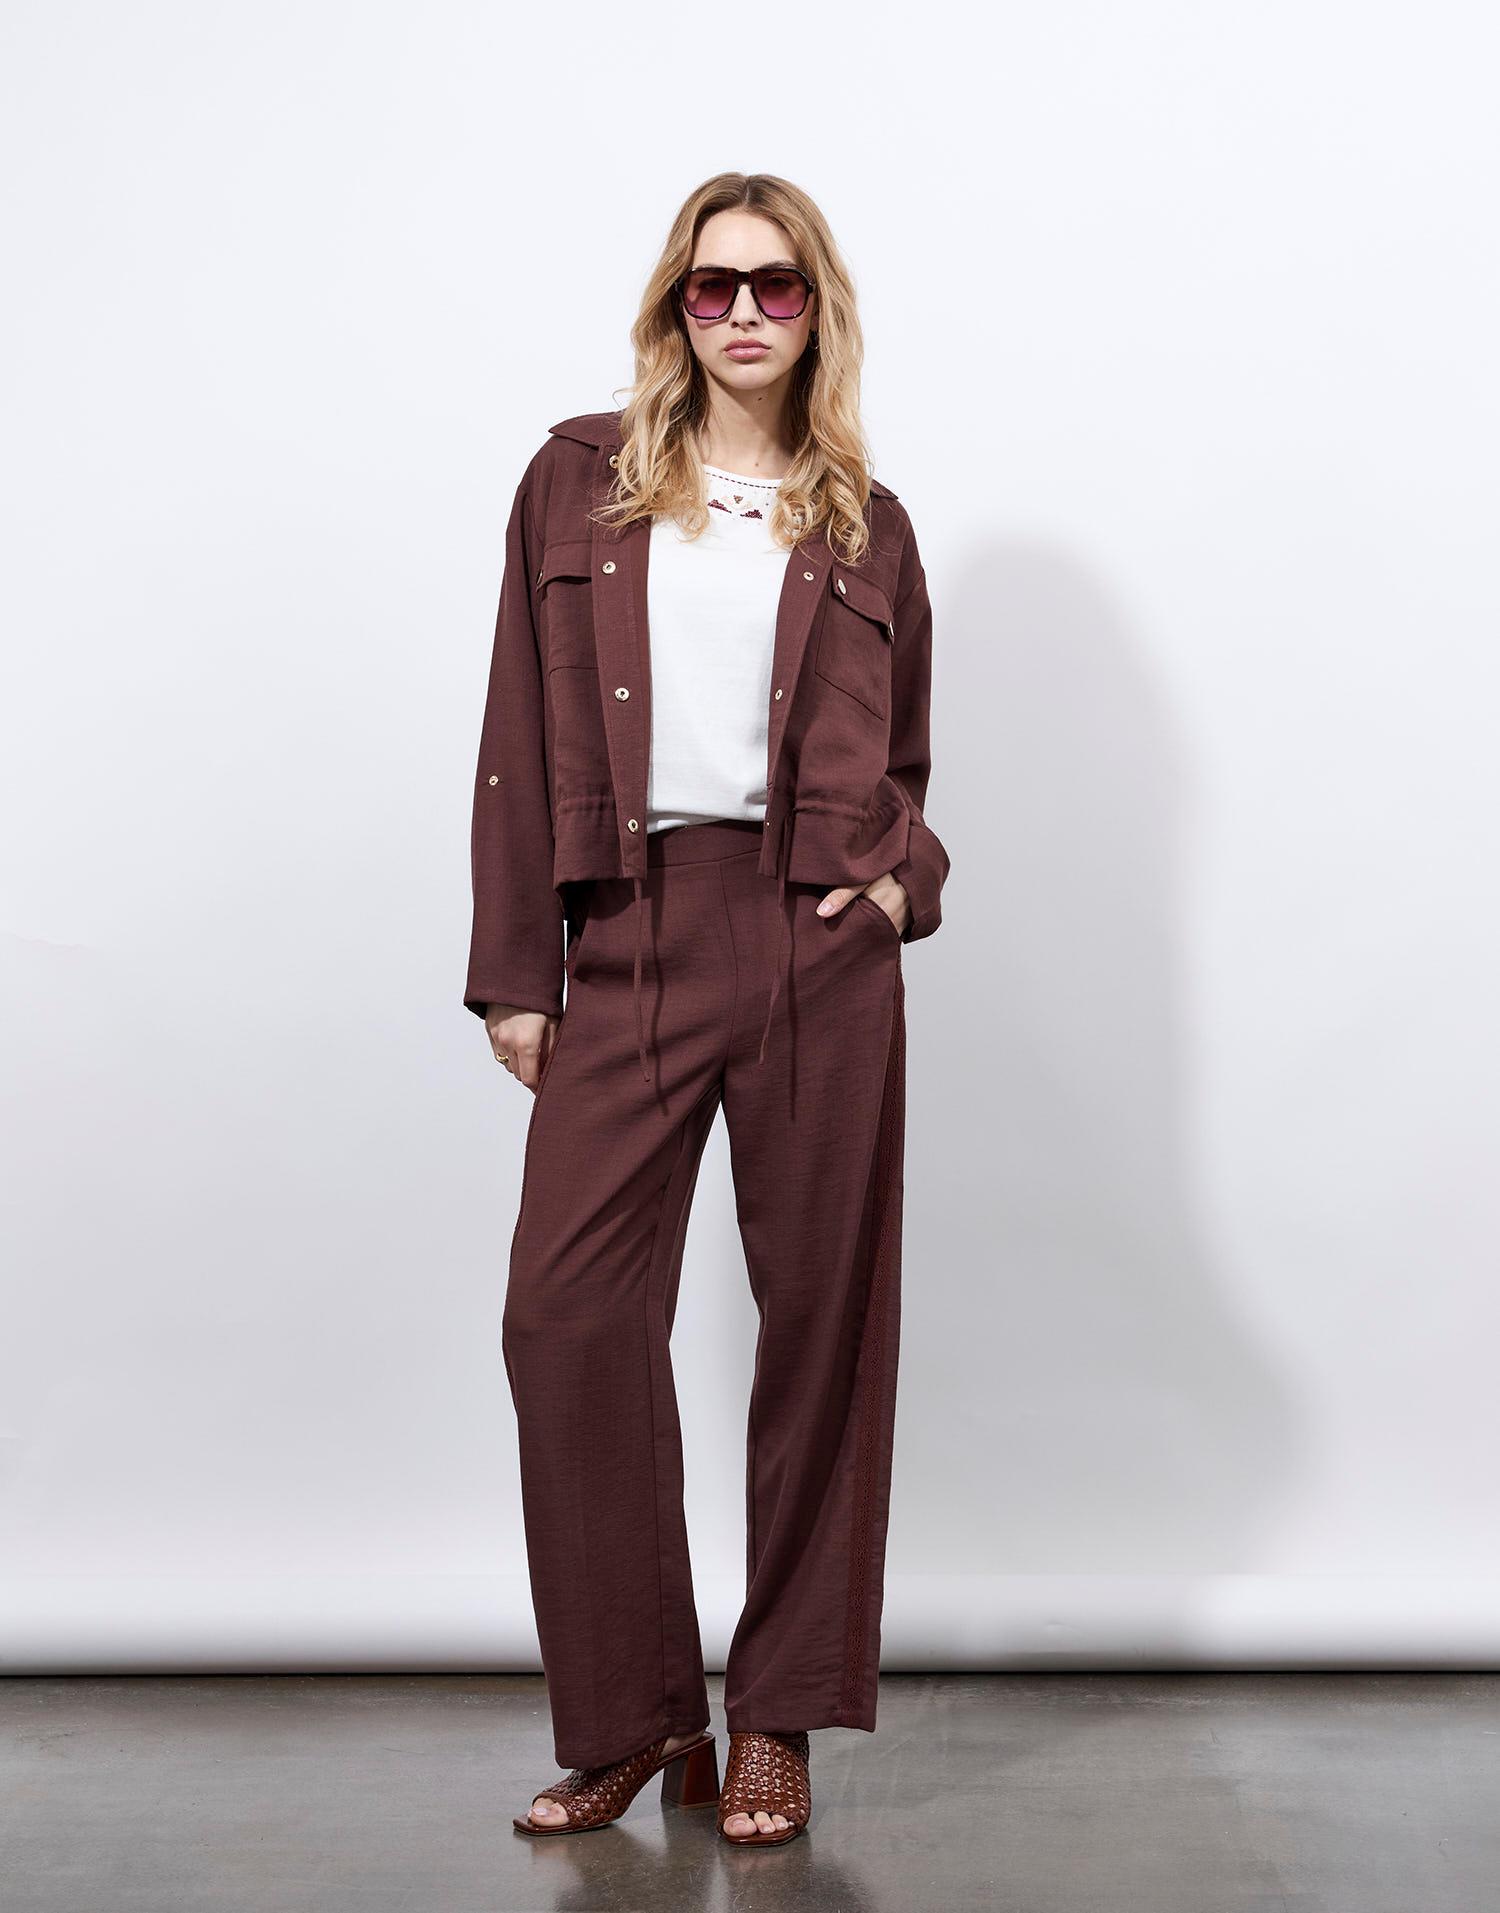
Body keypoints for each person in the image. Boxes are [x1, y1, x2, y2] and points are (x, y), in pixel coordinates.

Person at [463, 171, 951, 1848]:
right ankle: (638, 1714)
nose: (745, 313)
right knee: (565, 1318)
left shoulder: (869, 525)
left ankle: (780, 1719)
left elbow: (903, 767)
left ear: (820, 312)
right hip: (626, 923)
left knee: (822, 1330)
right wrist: (518, 967)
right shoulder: (578, 482)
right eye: (714, 285)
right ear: (677, 307)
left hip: (816, 942)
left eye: (778, 286)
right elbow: (516, 732)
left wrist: (900, 883)